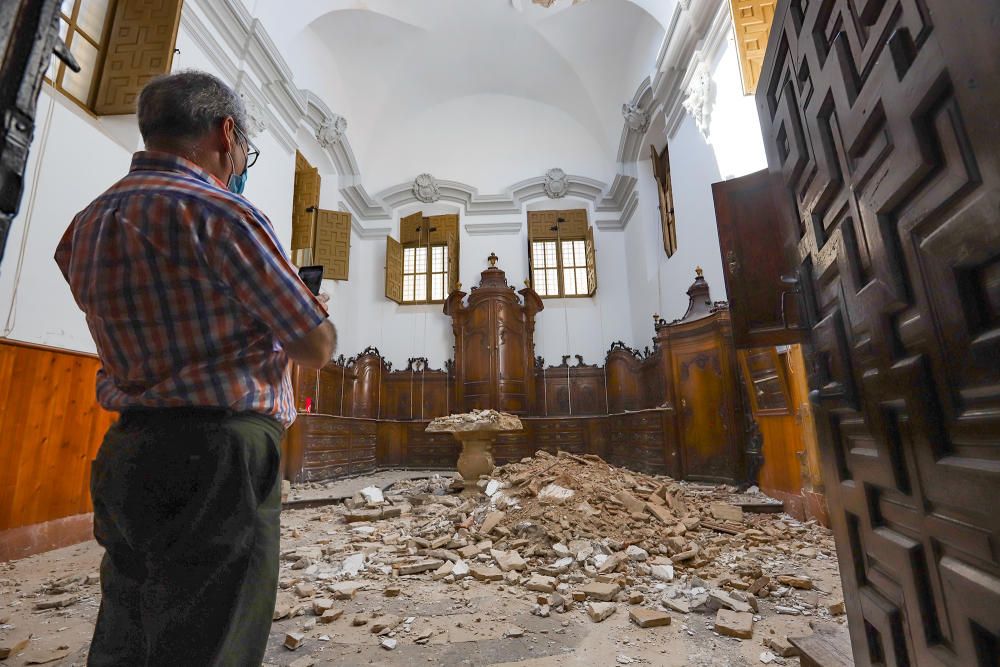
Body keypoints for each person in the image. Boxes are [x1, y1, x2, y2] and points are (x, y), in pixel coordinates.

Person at [54, 70, 336, 666]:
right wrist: (314, 313)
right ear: (224, 132)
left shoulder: (85, 224)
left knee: (127, 627)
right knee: (213, 636)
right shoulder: (225, 214)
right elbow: (314, 346)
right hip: (221, 450)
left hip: (129, 445)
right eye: (243, 148)